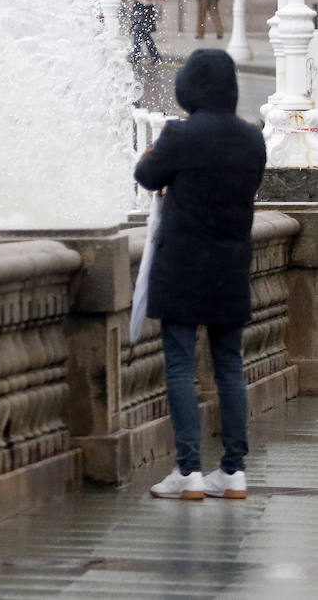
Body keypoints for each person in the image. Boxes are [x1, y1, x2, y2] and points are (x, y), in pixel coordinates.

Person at [134, 50, 265, 501]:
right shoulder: (252, 139)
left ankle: (188, 471)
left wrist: (156, 153)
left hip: (183, 268)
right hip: (231, 267)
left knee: (180, 364)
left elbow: (146, 175)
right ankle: (233, 471)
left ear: (188, 87)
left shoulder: (179, 135)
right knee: (230, 366)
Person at [127, 0, 162, 65]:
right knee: (147, 40)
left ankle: (136, 57)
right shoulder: (148, 2)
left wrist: (135, 18)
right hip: (143, 24)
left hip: (140, 24)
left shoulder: (141, 1)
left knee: (138, 40)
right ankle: (156, 57)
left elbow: (138, 14)